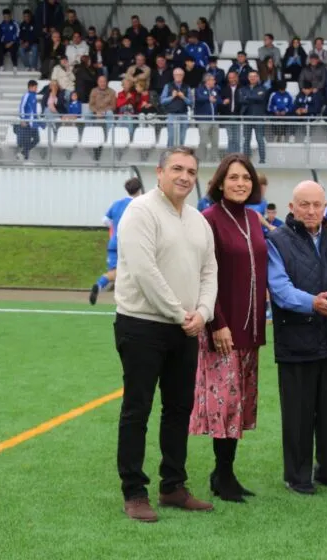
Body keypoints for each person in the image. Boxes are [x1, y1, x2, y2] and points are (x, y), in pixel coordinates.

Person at [114, 147, 218, 523]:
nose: (185, 176)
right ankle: (134, 491)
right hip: (142, 325)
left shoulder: (197, 220)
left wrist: (203, 314)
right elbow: (144, 272)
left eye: (191, 170)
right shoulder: (140, 212)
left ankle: (173, 486)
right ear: (159, 172)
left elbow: (210, 271)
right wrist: (181, 314)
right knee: (137, 409)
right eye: (177, 168)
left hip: (186, 328)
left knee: (179, 409)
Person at [267, 180, 327, 495]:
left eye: (317, 204)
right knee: (298, 413)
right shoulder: (276, 240)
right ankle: (298, 476)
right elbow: (279, 290)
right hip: (297, 339)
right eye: (304, 204)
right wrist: (313, 303)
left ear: (325, 206)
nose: (311, 210)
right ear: (291, 207)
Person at [189, 154, 268, 503]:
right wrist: (216, 322)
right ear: (220, 182)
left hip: (251, 329)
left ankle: (227, 472)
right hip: (223, 329)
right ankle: (221, 474)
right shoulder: (208, 219)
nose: (240, 183)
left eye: (246, 178)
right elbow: (202, 276)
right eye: (233, 177)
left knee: (240, 404)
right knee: (225, 403)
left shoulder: (253, 218)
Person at [89, 178, 144, 305]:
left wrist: (114, 227)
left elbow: (105, 220)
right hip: (131, 243)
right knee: (137, 270)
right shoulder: (140, 205)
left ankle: (99, 284)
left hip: (114, 242)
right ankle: (135, 300)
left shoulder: (117, 204)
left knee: (114, 273)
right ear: (140, 190)